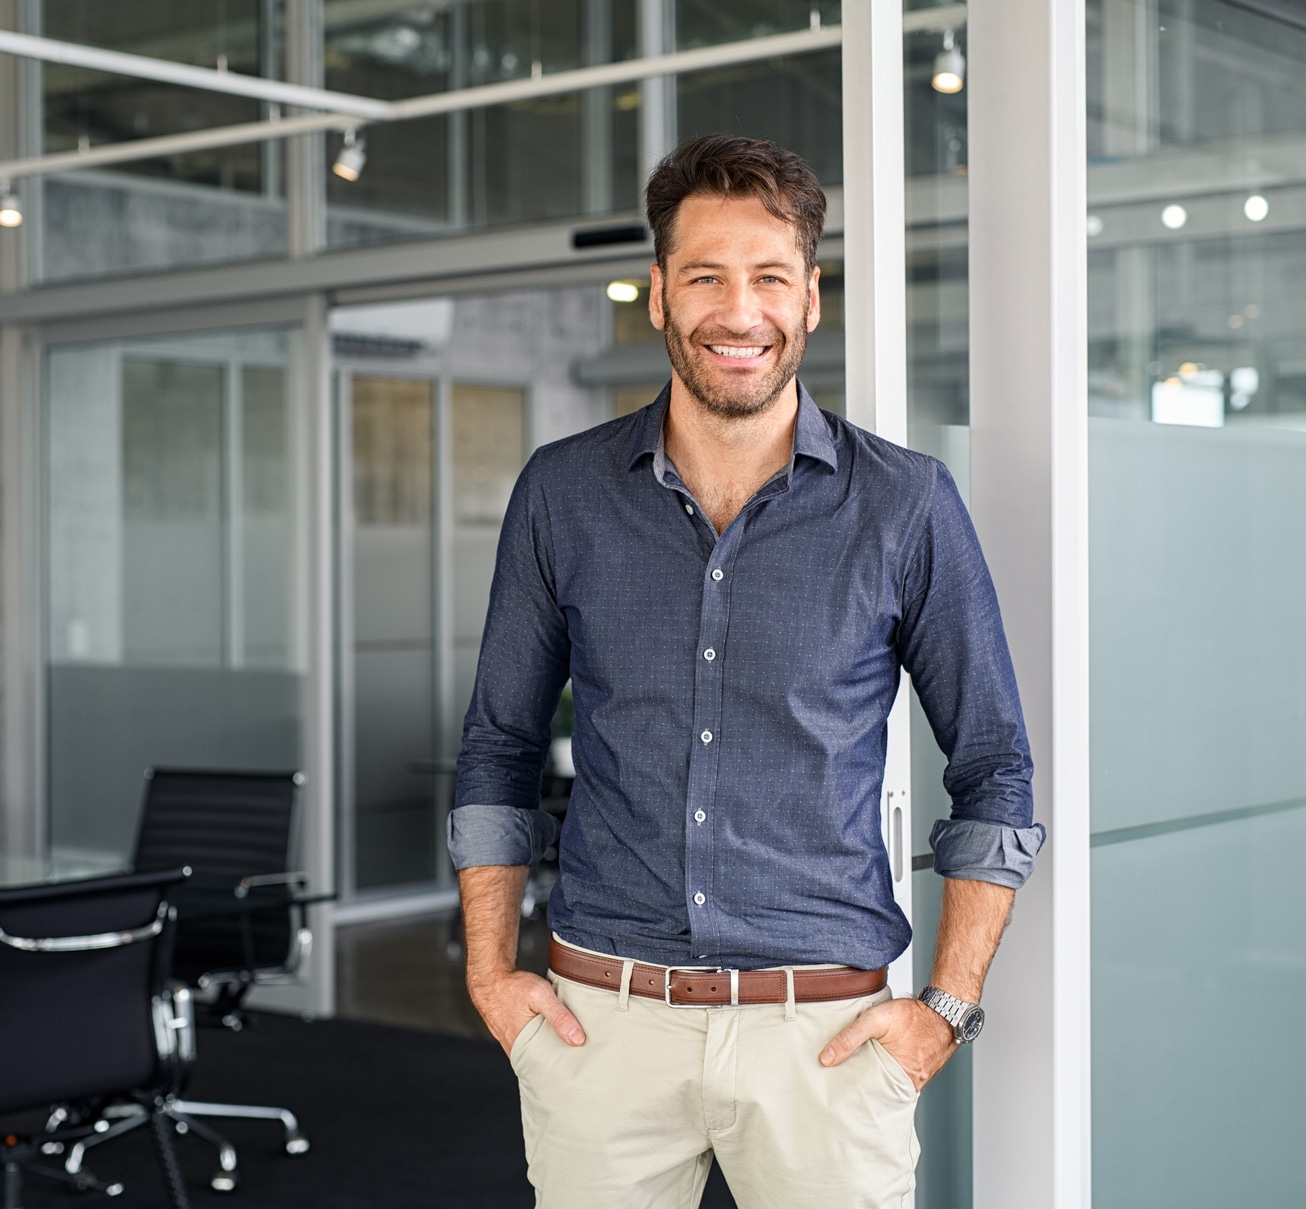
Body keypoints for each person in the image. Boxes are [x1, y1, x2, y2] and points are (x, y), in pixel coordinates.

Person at [448, 134, 1044, 1209]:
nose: (739, 310)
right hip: (602, 1026)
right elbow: (498, 745)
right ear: (660, 297)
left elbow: (996, 764)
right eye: (706, 276)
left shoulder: (905, 506)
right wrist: (490, 974)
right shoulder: (562, 493)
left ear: (810, 299)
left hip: (823, 1036)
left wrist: (945, 1007)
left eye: (769, 277)